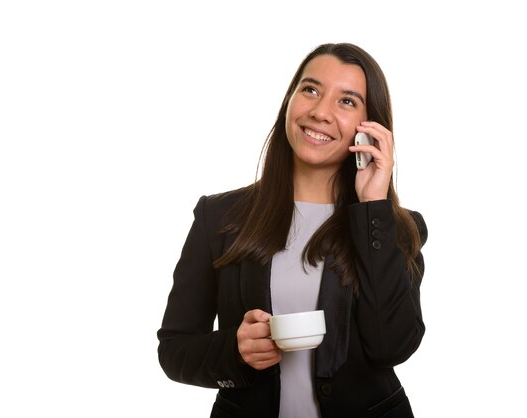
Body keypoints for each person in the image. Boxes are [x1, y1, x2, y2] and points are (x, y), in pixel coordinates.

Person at [157, 42, 428, 418]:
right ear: (289, 100)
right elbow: (174, 351)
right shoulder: (218, 216)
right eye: (311, 90)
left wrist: (373, 207)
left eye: (347, 101)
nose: (320, 112)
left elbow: (392, 347)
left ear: (371, 129)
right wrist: (234, 352)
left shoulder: (392, 225)